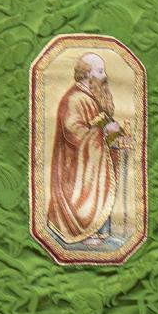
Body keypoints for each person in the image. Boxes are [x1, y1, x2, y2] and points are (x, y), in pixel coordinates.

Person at [47, 52, 122, 244]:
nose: (104, 75)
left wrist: (111, 131)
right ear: (87, 74)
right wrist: (103, 131)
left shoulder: (91, 96)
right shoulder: (75, 98)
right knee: (83, 194)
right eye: (99, 71)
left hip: (93, 159)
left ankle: (96, 231)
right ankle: (82, 231)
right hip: (74, 165)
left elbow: (97, 124)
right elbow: (73, 131)